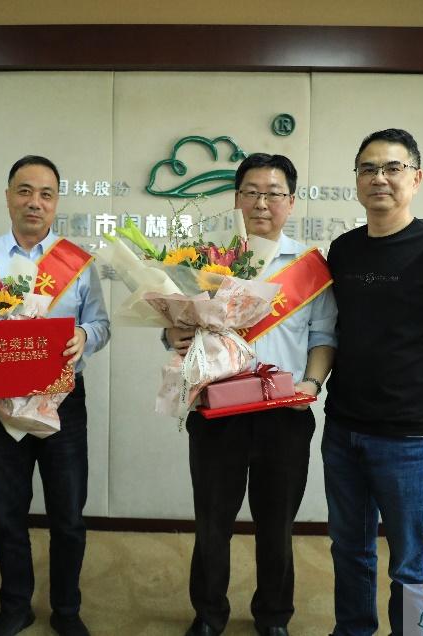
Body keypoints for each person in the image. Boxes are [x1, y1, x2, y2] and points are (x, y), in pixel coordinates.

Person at [166, 153, 337, 636]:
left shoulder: (310, 267)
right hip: (217, 410)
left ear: (291, 201)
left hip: (285, 413)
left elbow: (324, 336)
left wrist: (311, 384)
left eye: (274, 193)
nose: (262, 203)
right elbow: (178, 328)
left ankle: (273, 616)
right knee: (212, 521)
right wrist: (173, 335)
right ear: (236, 198)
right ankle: (208, 614)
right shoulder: (206, 260)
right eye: (252, 192)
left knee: (277, 524)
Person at [323, 129, 423, 636]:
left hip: (409, 437)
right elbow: (332, 328)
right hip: (343, 428)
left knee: (410, 559)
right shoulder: (343, 249)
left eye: (393, 168)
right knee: (349, 548)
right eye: (368, 168)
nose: (380, 178)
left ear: (416, 178)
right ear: (356, 180)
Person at [0, 155, 110, 636]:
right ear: (8, 197)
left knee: (68, 516)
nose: (34, 202)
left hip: (63, 402)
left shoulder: (76, 262)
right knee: (7, 515)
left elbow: (101, 325)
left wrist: (84, 335)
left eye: (45, 194)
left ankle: (67, 610)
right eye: (24, 191)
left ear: (56, 202)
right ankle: (15, 607)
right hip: (0, 407)